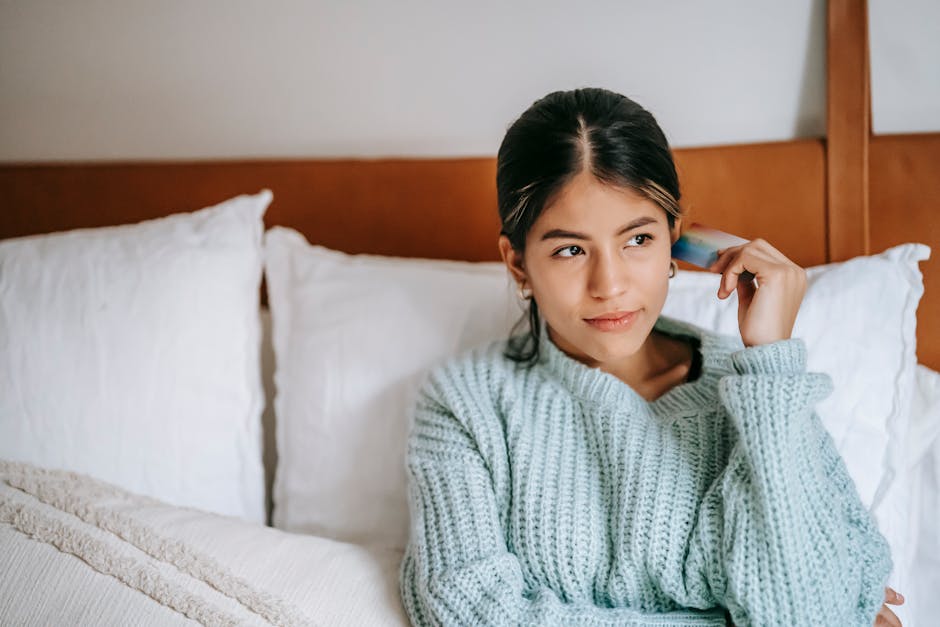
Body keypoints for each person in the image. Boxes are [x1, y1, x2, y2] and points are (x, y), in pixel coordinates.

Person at [398, 87, 906, 626]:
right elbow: (469, 613)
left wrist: (770, 359)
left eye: (637, 239)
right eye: (570, 249)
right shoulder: (463, 404)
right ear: (518, 264)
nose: (610, 285)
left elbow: (811, 612)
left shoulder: (757, 395)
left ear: (675, 240)